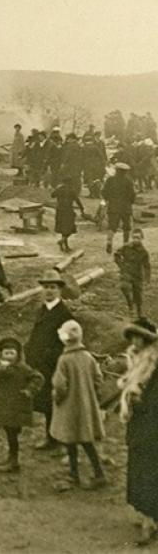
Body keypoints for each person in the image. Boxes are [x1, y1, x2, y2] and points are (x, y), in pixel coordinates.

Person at [50, 319, 107, 491]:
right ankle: (99, 473)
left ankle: (74, 475)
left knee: (70, 441)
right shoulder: (88, 357)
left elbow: (60, 386)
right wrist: (92, 395)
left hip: (68, 406)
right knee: (86, 440)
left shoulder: (64, 359)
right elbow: (98, 378)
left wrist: (57, 398)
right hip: (85, 405)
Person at [118, 318, 158, 546]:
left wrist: (137, 400)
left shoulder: (154, 363)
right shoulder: (136, 360)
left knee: (149, 469)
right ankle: (148, 515)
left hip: (152, 424)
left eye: (139, 336)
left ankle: (149, 520)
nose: (135, 341)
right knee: (139, 466)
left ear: (147, 339)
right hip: (140, 423)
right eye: (132, 336)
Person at [24, 269, 74, 450]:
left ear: (59, 290)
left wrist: (50, 356)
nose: (49, 291)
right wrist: (29, 350)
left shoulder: (64, 314)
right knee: (46, 404)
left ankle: (56, 439)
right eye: (46, 287)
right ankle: (52, 438)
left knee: (54, 403)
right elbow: (37, 335)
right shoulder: (43, 310)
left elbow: (68, 342)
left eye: (53, 287)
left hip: (54, 366)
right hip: (39, 365)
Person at [0, 337, 43, 473]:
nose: (9, 356)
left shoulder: (23, 368)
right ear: (2, 355)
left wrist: (30, 390)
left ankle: (14, 462)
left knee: (12, 434)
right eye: (6, 353)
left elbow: (38, 377)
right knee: (9, 432)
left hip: (16, 408)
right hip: (4, 407)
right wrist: (1, 370)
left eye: (12, 353)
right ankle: (11, 458)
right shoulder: (0, 368)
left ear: (17, 354)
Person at [114, 228, 151, 319]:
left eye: (138, 238)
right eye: (134, 237)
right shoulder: (126, 247)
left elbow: (147, 266)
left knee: (138, 296)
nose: (135, 239)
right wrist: (121, 265)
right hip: (126, 272)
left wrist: (147, 279)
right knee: (124, 286)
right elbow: (116, 255)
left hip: (138, 275)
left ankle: (139, 312)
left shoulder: (144, 252)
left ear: (142, 238)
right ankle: (130, 306)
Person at [102, 162, 136, 253]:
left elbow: (104, 192)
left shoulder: (110, 180)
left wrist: (109, 200)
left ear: (116, 170)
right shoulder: (128, 181)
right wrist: (131, 202)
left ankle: (109, 242)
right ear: (125, 172)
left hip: (113, 207)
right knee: (126, 227)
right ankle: (125, 245)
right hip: (125, 207)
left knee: (112, 226)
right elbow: (132, 195)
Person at [52, 177, 85, 252]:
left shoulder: (59, 189)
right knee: (70, 228)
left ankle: (64, 245)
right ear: (69, 183)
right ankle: (62, 242)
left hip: (60, 210)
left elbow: (52, 195)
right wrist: (81, 208)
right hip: (68, 211)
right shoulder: (71, 190)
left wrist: (57, 190)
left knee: (63, 228)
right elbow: (77, 200)